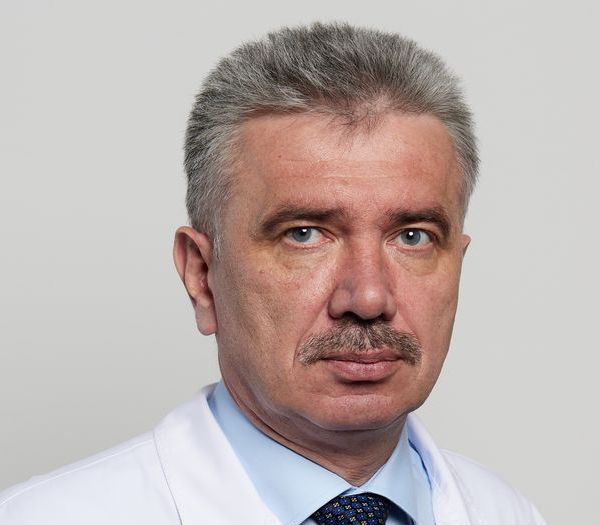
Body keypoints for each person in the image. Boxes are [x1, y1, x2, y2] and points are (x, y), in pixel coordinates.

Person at [0, 22, 546, 525]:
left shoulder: (512, 514)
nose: (368, 297)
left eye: (412, 236)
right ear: (201, 276)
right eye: (304, 234)